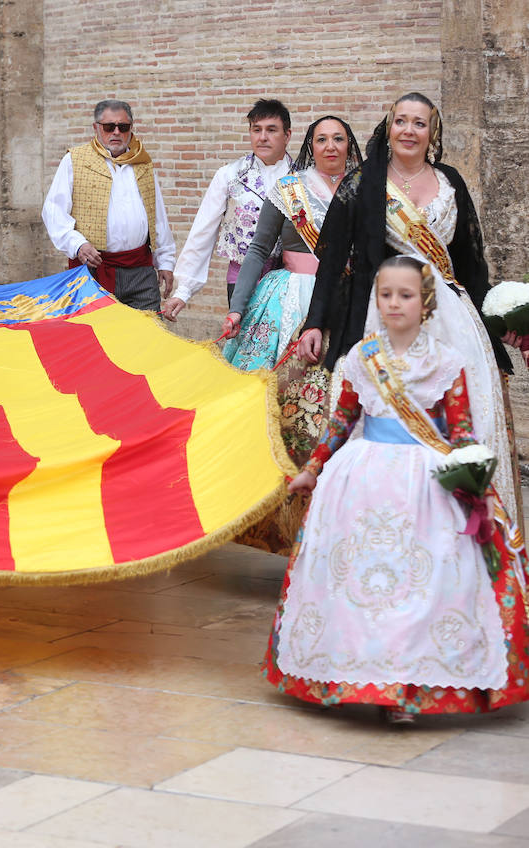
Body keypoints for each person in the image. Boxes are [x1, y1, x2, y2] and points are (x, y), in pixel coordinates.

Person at [266, 256, 529, 723]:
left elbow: (461, 430)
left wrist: (473, 478)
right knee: (361, 584)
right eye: (385, 294)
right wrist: (313, 468)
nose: (394, 303)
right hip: (362, 481)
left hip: (425, 485)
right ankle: (353, 674)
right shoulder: (360, 359)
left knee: (418, 585)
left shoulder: (448, 363)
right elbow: (342, 421)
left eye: (405, 295)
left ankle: (408, 689)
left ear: (425, 302)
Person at [300, 91, 519, 505]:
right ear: (389, 126)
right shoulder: (363, 184)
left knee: (461, 419)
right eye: (401, 121)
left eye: (419, 123)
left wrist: (505, 324)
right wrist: (315, 321)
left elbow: (472, 266)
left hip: (454, 323)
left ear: (432, 131)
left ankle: (463, 526)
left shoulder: (450, 182)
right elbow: (332, 262)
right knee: (383, 420)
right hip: (387, 316)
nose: (409, 131)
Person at [221, 116, 362, 371]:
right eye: (322, 139)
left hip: (349, 294)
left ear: (349, 145)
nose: (330, 146)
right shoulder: (289, 189)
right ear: (311, 146)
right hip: (290, 295)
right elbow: (259, 250)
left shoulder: (365, 191)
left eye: (338, 138)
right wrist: (237, 308)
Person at [162, 99, 293, 321]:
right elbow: (204, 230)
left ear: (287, 135)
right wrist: (184, 290)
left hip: (289, 278)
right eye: (256, 130)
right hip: (240, 279)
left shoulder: (301, 177)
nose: (262, 137)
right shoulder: (230, 175)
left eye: (271, 130)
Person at [41, 100, 175, 312]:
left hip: (140, 271)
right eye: (108, 127)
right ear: (96, 128)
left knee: (147, 337)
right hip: (93, 271)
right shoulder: (74, 160)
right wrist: (78, 245)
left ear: (131, 128)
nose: (116, 132)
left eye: (123, 127)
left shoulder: (142, 163)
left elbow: (157, 215)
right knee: (96, 338)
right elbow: (53, 211)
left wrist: (165, 262)